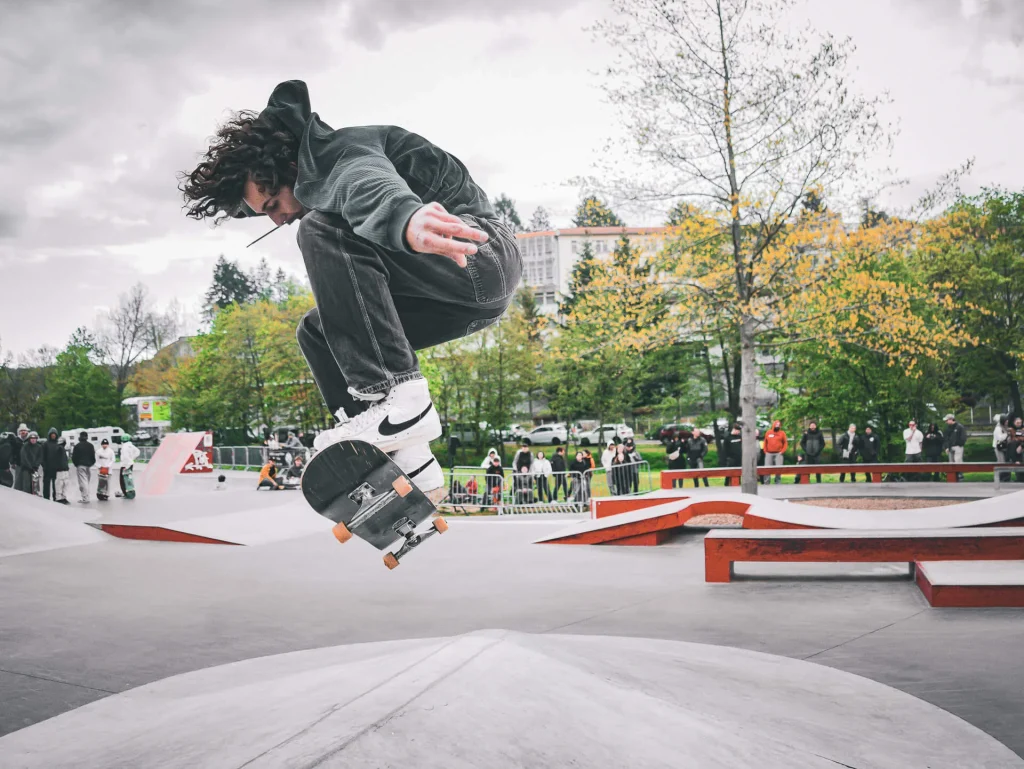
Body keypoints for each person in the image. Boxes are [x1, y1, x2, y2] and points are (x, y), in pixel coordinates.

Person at [182, 80, 521, 504]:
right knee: (319, 331)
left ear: (287, 168)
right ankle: (414, 463)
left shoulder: (342, 150)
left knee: (321, 227)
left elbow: (366, 180)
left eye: (271, 205)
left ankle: (406, 403)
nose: (278, 220)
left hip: (476, 257)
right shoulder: (320, 176)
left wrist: (404, 217)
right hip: (448, 300)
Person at [41, 428, 66, 501]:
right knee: (46, 483)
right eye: (52, 434)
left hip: (56, 468)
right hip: (47, 467)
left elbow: (61, 456)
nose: (53, 436)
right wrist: (44, 465)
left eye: (54, 434)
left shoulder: (58, 444)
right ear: (49, 435)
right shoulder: (45, 444)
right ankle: (46, 497)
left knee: (56, 484)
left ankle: (55, 497)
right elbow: (42, 456)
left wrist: (61, 466)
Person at [71, 432, 96, 503]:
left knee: (83, 482)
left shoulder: (77, 446)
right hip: (88, 466)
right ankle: (86, 496)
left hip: (80, 465)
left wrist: (77, 464)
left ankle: (85, 498)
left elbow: (74, 457)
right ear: (87, 437)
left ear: (80, 437)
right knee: (86, 482)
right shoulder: (90, 445)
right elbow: (93, 457)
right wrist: (91, 463)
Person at [761, 420, 788, 485]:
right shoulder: (768, 432)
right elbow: (765, 442)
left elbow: (785, 443)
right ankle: (766, 482)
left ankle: (777, 482)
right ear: (773, 425)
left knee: (779, 468)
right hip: (769, 453)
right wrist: (765, 451)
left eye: (778, 425)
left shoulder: (782, 433)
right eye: (776, 425)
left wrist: (782, 451)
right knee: (767, 468)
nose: (777, 426)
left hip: (779, 453)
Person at [943, 413, 966, 481]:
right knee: (951, 462)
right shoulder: (948, 428)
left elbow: (963, 437)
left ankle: (960, 476)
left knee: (958, 461)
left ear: (951, 419)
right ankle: (953, 477)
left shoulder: (959, 427)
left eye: (947, 420)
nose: (946, 422)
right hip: (950, 447)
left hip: (958, 447)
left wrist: (959, 444)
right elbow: (946, 438)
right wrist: (946, 447)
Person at [11, 424, 31, 492]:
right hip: (18, 463)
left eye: (24, 430)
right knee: (18, 482)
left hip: (27, 465)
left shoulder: (29, 440)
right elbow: (13, 452)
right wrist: (12, 462)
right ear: (19, 432)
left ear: (27, 431)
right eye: (21, 430)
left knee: (26, 483)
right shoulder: (16, 440)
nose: (23, 432)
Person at [53, 437, 71, 504]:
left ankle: (63, 497)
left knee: (65, 483)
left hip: (64, 469)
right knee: (60, 483)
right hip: (60, 469)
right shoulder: (59, 448)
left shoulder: (62, 449)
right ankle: (59, 498)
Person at [994, 415, 1010, 483]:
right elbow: (999, 438)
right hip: (999, 447)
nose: (1007, 422)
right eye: (1006, 421)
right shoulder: (998, 428)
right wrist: (1007, 434)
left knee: (1005, 462)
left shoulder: (1004, 427)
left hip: (1004, 447)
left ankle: (1006, 477)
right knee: (1001, 462)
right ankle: (1001, 478)